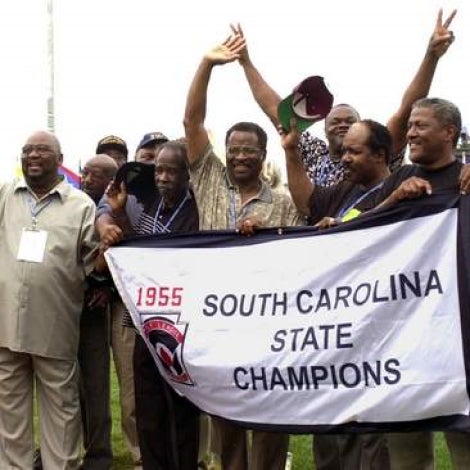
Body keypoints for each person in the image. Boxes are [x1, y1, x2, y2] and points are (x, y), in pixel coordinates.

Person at [183, 33, 301, 470]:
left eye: (249, 150)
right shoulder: (210, 180)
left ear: (263, 154)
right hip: (218, 319)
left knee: (271, 415)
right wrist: (207, 65)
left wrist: (263, 235)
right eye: (233, 150)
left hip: (268, 323)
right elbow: (192, 123)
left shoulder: (285, 201)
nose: (239, 157)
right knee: (226, 412)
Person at [343, 97, 469, 470]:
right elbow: (357, 231)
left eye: (421, 126)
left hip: (459, 336)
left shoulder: (465, 176)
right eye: (410, 125)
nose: (410, 133)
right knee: (407, 454)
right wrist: (396, 198)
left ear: (449, 133)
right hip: (408, 340)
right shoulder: (399, 179)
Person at [234, 8, 456, 187]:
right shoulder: (313, 155)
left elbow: (407, 108)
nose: (342, 125)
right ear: (323, 130)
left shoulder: (379, 150)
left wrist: (431, 57)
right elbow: (275, 109)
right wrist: (246, 63)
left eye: (350, 122)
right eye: (335, 122)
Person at [99, 141, 201, 470]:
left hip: (182, 326)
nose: (163, 177)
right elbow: (135, 253)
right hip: (146, 324)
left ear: (187, 174)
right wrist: (116, 212)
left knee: (181, 408)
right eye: (159, 170)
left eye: (172, 170)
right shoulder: (151, 206)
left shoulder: (196, 210)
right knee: (148, 406)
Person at [0, 130, 98, 469]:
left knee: (61, 408)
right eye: (27, 150)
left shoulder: (80, 205)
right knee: (10, 409)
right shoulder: (5, 196)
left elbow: (94, 261)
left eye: (42, 150)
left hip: (55, 324)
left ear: (60, 159)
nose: (33, 155)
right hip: (6, 326)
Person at [79, 154, 118, 470]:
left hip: (97, 308)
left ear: (109, 180)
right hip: (65, 304)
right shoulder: (70, 204)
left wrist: (105, 286)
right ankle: (64, 446)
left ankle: (99, 453)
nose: (85, 177)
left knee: (95, 385)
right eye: (85, 172)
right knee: (64, 387)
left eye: (93, 174)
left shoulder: (119, 210)